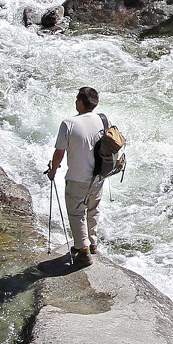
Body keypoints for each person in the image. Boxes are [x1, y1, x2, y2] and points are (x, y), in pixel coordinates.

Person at [47, 86, 106, 266]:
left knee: (77, 213)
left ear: (80, 102)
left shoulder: (68, 123)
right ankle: (92, 242)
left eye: (76, 99)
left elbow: (59, 152)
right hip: (98, 176)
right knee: (93, 209)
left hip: (77, 177)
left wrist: (53, 170)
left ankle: (83, 250)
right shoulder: (103, 120)